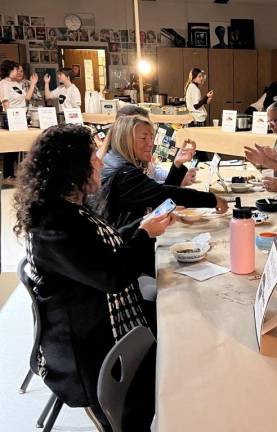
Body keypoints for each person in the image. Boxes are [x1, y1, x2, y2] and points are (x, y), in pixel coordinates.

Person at [13, 124, 173, 431]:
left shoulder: (66, 208)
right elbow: (110, 275)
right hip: (85, 348)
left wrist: (142, 226)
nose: (100, 160)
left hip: (96, 320)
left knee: (174, 325)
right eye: (92, 157)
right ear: (72, 168)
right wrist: (142, 235)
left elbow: (100, 250)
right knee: (167, 353)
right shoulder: (54, 224)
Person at [93, 114, 228, 231]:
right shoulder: (122, 172)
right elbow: (163, 194)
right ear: (125, 141)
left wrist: (177, 164)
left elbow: (157, 196)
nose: (151, 143)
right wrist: (212, 199)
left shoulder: (118, 161)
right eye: (144, 138)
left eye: (151, 137)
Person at [0, 60, 38, 182]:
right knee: (13, 147)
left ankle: (23, 173)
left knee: (22, 145)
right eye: (16, 69)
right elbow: (6, 103)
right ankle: (8, 174)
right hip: (13, 117)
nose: (17, 72)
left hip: (23, 117)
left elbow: (26, 97)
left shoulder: (17, 84)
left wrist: (33, 84)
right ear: (9, 70)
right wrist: (12, 118)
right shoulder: (3, 84)